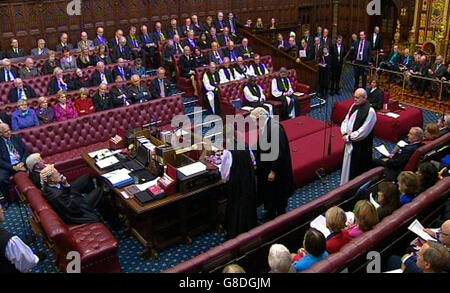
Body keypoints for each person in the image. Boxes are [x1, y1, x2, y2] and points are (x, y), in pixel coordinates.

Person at [40, 165, 123, 229]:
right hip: (78, 212)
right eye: (56, 174)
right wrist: (69, 187)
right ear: (50, 179)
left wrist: (66, 185)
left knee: (100, 197)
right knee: (99, 190)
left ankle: (112, 219)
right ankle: (116, 223)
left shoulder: (50, 186)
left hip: (75, 203)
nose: (59, 174)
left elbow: (68, 195)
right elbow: (74, 208)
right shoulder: (57, 195)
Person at [251, 107, 294, 219]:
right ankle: (270, 211)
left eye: (254, 121)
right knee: (270, 191)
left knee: (278, 193)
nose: (254, 124)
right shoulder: (267, 126)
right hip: (267, 167)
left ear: (259, 118)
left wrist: (273, 171)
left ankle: (279, 215)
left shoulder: (275, 128)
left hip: (277, 170)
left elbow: (278, 152)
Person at [220, 141, 257, 239]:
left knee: (236, 207)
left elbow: (225, 174)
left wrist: (224, 180)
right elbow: (253, 160)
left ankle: (235, 232)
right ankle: (250, 228)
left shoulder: (228, 152)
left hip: (236, 184)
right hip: (248, 180)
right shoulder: (245, 145)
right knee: (247, 204)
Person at [340, 88, 377, 185]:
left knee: (356, 170)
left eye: (357, 98)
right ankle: (345, 185)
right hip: (349, 142)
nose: (355, 99)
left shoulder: (370, 111)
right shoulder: (353, 106)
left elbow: (364, 131)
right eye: (354, 97)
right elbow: (346, 120)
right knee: (347, 168)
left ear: (365, 98)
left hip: (360, 146)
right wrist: (344, 132)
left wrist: (350, 137)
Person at [0, 202, 39, 273]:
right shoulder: (10, 241)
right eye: (1, 209)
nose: (3, 211)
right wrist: (35, 257)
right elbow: (30, 262)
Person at [0, 123, 28, 202]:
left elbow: (26, 151)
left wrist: (22, 162)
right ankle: (8, 200)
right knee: (1, 179)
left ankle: (25, 197)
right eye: (6, 132)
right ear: (1, 134)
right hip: (7, 166)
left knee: (25, 174)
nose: (9, 132)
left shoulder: (16, 137)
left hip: (20, 163)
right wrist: (12, 167)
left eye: (9, 130)